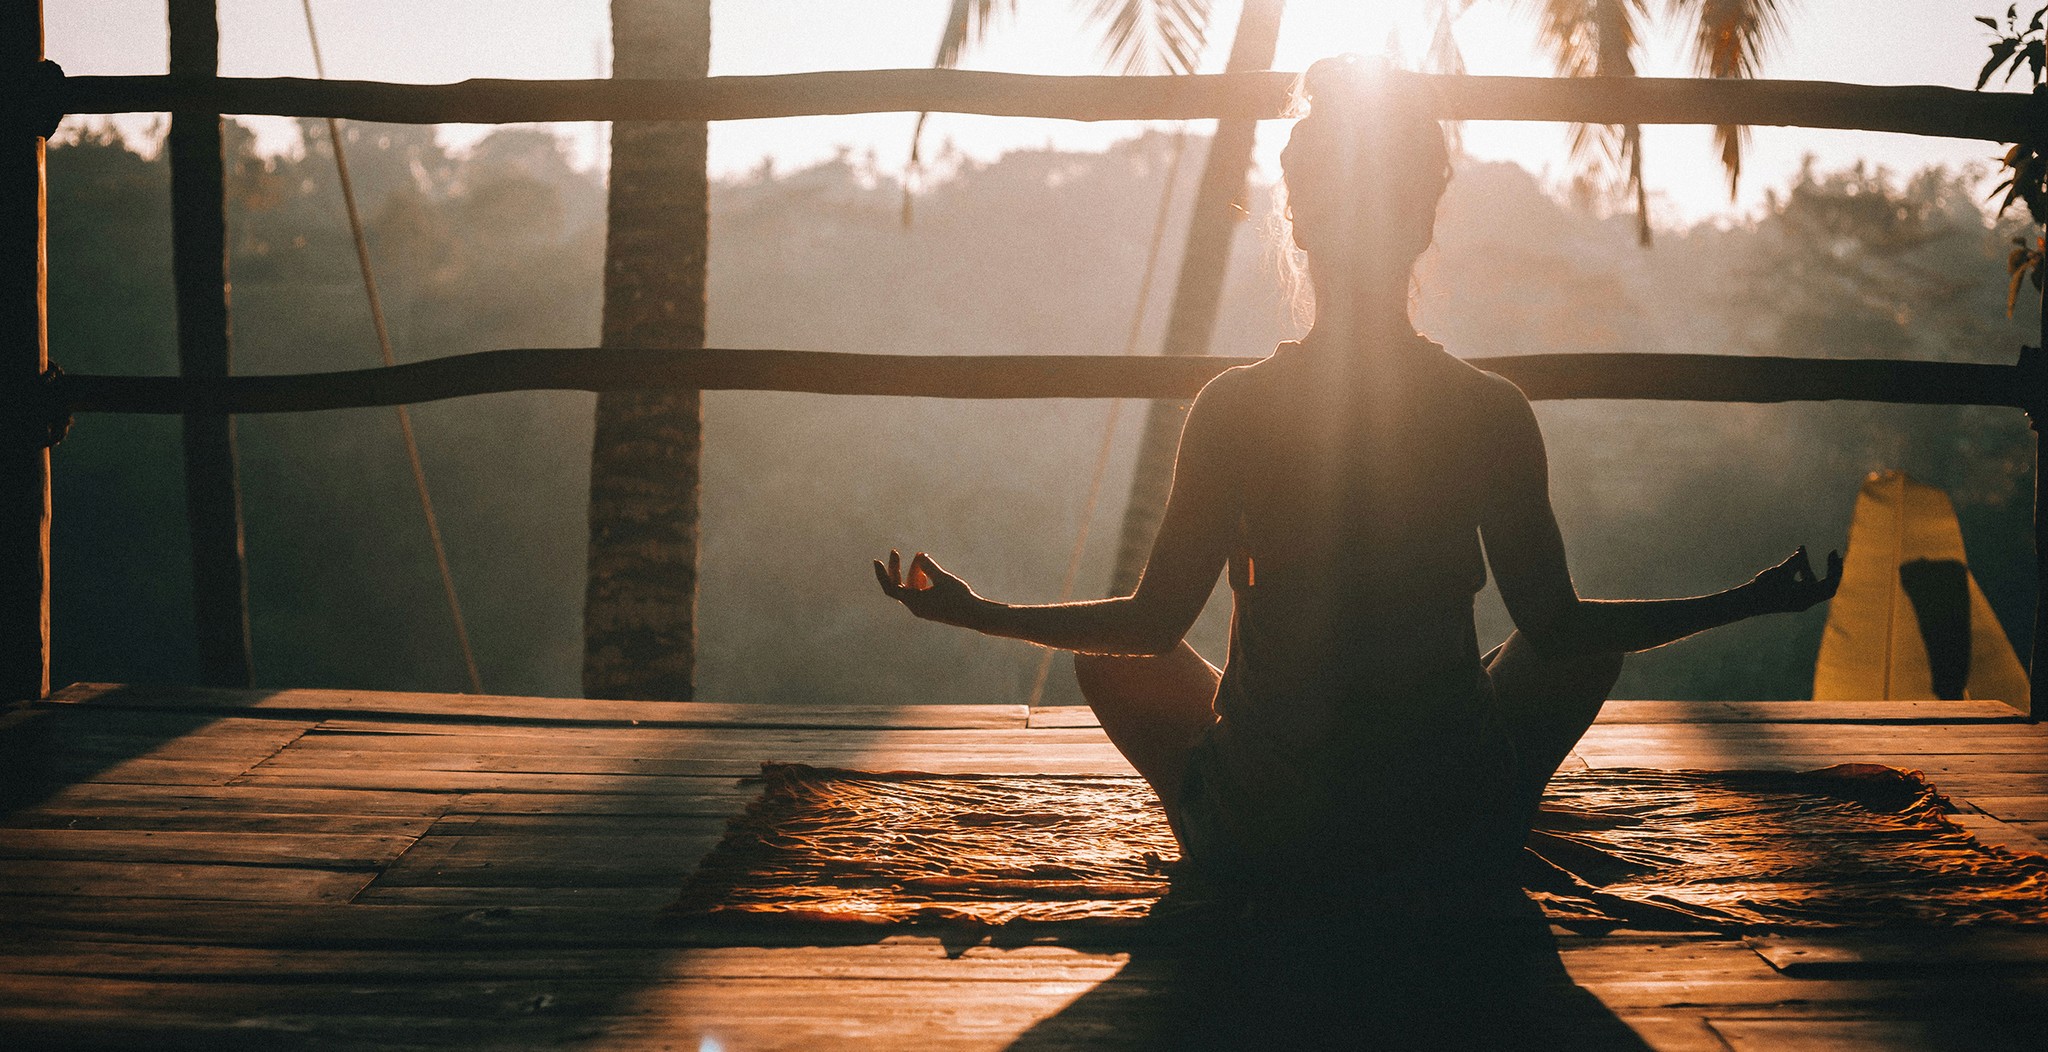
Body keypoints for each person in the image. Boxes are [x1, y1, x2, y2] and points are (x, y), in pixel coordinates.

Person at [875, 54, 1840, 896]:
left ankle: (1219, 827)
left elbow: (1150, 626)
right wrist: (1748, 600)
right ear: (1422, 226)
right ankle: (1481, 812)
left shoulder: (1235, 408)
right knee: (1581, 649)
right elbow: (1559, 629)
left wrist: (976, 612)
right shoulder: (1488, 409)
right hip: (1446, 834)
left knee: (1113, 658)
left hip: (1270, 839)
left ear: (1299, 224)